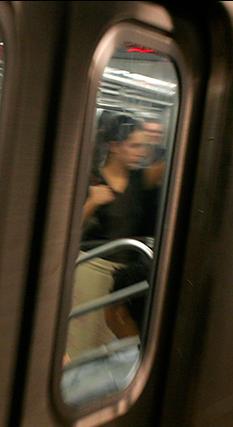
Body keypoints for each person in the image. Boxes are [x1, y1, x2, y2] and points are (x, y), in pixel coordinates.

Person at [67, 113, 162, 361]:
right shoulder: (91, 180)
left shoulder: (142, 179)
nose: (141, 152)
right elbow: (68, 231)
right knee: (82, 340)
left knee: (113, 342)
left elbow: (169, 166)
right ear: (114, 147)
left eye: (144, 146)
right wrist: (91, 203)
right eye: (134, 145)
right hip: (91, 270)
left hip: (124, 276)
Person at [61, 261, 149, 406]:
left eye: (110, 297)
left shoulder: (116, 374)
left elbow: (67, 397)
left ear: (121, 313)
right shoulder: (126, 347)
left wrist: (64, 375)